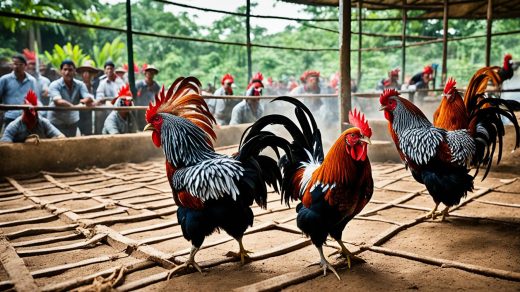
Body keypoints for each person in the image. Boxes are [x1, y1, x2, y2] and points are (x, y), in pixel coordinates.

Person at [47, 60, 95, 137]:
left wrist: (82, 102)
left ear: (74, 71)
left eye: (70, 70)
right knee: (57, 145)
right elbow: (58, 101)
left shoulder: (80, 84)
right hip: (56, 121)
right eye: (65, 69)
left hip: (72, 121)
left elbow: (88, 97)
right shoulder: (54, 84)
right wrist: (74, 107)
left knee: (70, 144)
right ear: (61, 71)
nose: (67, 72)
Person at [0, 54, 39, 130]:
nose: (16, 67)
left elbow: (36, 99)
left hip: (27, 117)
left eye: (20, 64)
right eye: (14, 64)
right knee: (7, 140)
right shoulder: (4, 79)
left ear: (25, 66)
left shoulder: (32, 80)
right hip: (10, 117)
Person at [94, 61, 125, 134]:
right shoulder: (102, 83)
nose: (109, 71)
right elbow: (99, 98)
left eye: (111, 69)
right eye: (107, 69)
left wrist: (107, 99)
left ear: (114, 70)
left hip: (118, 110)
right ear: (105, 71)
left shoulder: (120, 82)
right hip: (106, 111)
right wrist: (107, 100)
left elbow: (123, 96)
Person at [76, 60, 101, 135]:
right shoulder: (78, 86)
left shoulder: (96, 85)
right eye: (84, 72)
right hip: (81, 115)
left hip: (94, 115)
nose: (87, 74)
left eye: (89, 72)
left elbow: (99, 97)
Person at [135, 65, 160, 130]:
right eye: (148, 72)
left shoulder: (156, 86)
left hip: (150, 110)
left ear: (154, 74)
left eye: (152, 73)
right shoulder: (138, 84)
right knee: (139, 127)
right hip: (139, 109)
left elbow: (157, 98)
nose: (150, 74)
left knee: (149, 127)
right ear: (145, 73)